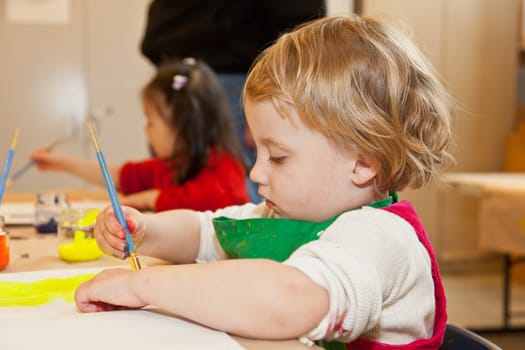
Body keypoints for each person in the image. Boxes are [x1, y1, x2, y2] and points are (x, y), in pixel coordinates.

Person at [74, 15, 454, 348]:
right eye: (257, 152)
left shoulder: (380, 238)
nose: (255, 174)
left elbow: (288, 300)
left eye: (279, 156)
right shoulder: (287, 214)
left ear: (363, 162)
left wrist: (143, 286)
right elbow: (205, 233)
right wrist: (145, 231)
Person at [140, 0, 326, 203]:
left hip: (233, 76)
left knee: (256, 198)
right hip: (179, 72)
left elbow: (303, 21)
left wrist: (267, 104)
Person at [31, 58, 249, 212]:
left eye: (151, 121)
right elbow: (120, 176)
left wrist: (148, 199)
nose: (146, 130)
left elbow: (212, 199)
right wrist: (62, 162)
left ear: (186, 126)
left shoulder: (223, 166)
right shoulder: (173, 165)